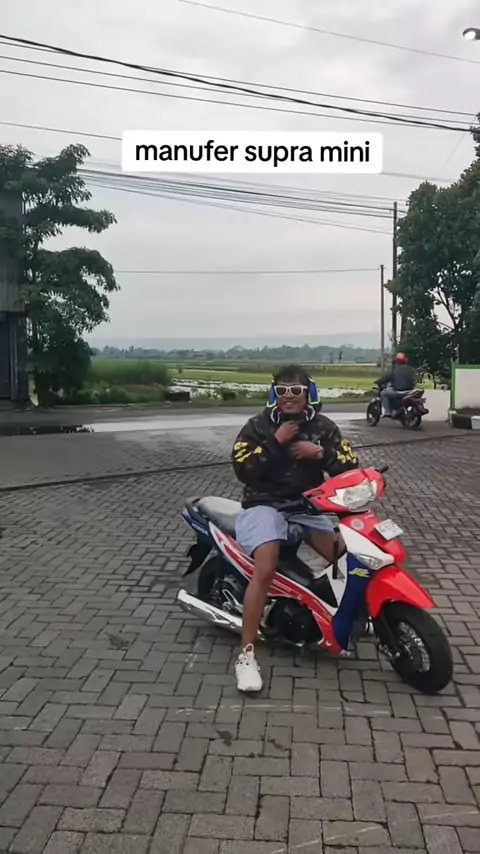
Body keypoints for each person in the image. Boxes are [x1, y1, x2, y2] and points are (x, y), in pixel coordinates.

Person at [230, 364, 359, 692]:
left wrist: (319, 453)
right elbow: (243, 469)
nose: (289, 396)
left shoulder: (323, 427)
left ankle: (345, 615)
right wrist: (276, 441)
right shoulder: (257, 426)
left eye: (296, 391)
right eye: (282, 390)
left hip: (306, 506)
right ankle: (246, 656)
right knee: (266, 567)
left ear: (308, 393)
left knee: (346, 557)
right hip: (264, 505)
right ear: (274, 394)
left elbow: (349, 465)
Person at [377, 352, 416, 417]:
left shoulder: (395, 369)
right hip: (410, 390)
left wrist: (378, 382)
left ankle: (387, 411)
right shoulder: (410, 369)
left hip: (399, 391)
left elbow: (387, 377)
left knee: (384, 393)